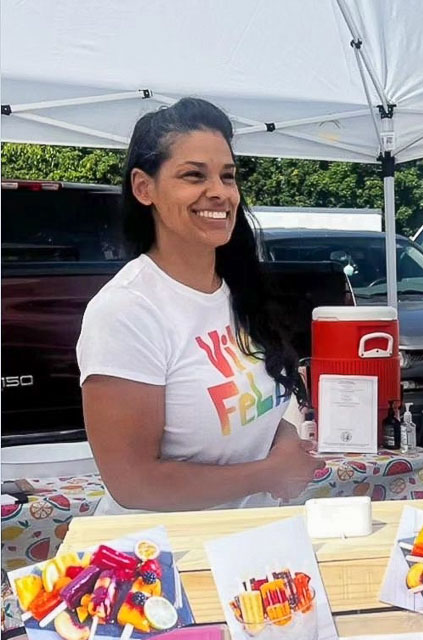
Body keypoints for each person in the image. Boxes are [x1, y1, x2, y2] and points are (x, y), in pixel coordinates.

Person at [77, 98, 324, 515]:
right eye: (194, 175)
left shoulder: (236, 292)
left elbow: (248, 416)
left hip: (245, 549)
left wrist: (283, 444)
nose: (220, 193)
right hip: (162, 563)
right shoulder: (126, 310)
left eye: (228, 177)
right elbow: (135, 484)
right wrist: (268, 473)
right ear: (144, 187)